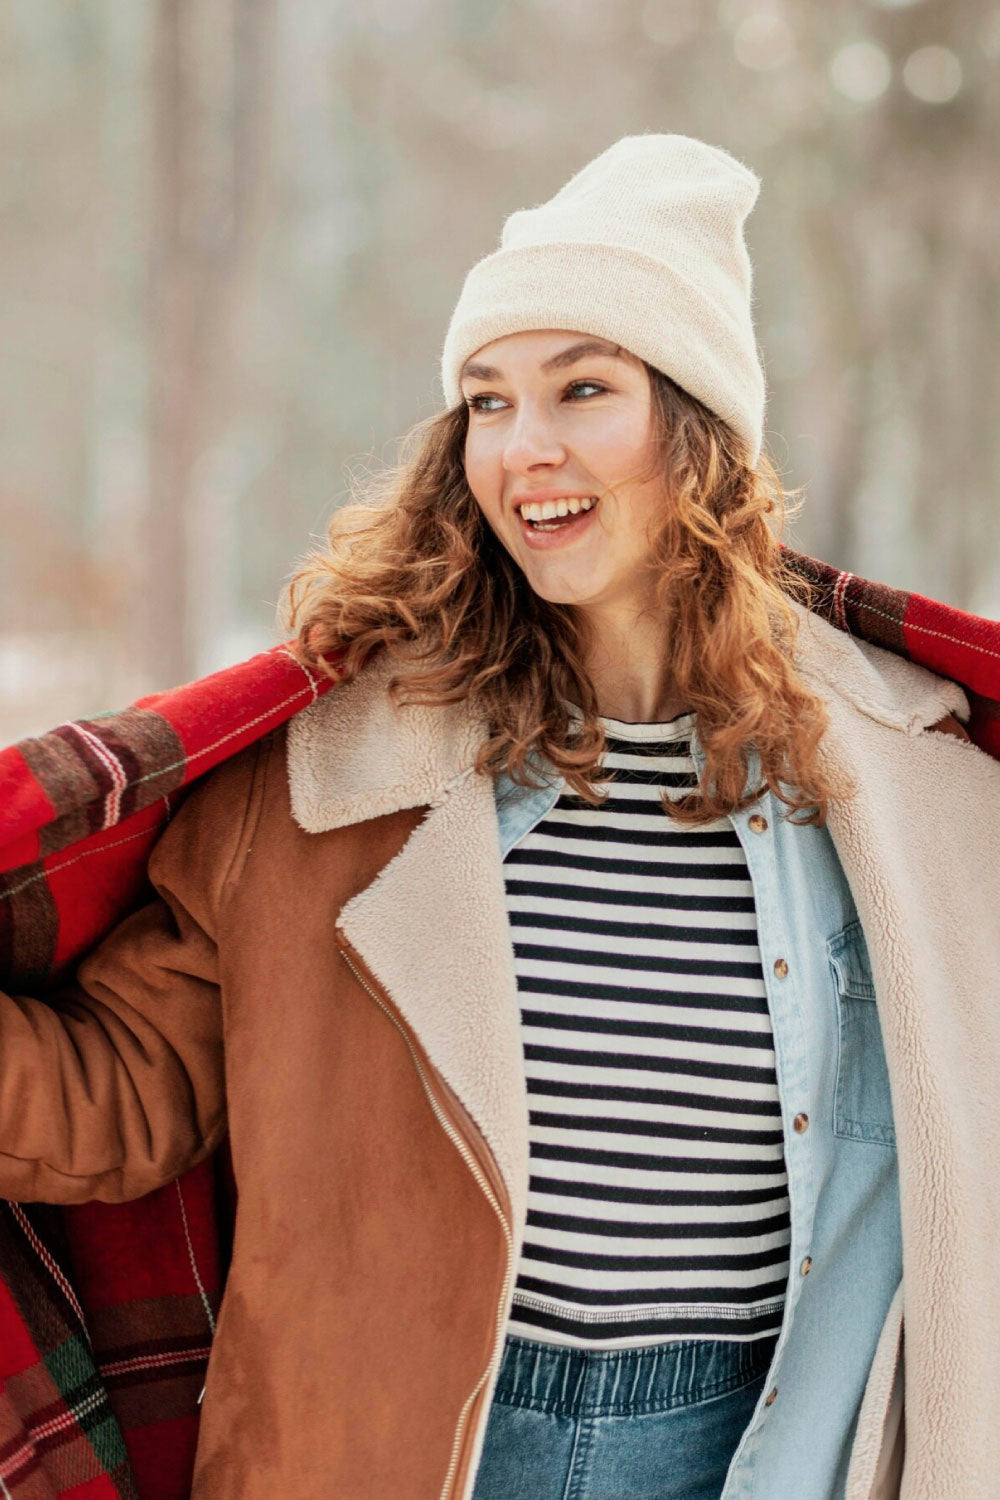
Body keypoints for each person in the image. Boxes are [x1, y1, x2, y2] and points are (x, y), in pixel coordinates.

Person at [0, 132, 997, 1500]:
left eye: (582, 389)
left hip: (760, 1445)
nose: (526, 449)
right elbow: (125, 1094)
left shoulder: (908, 779)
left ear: (700, 431)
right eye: (486, 401)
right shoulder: (326, 781)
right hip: (388, 1450)